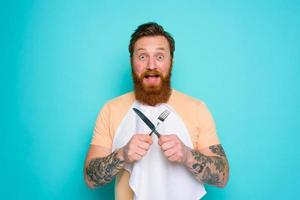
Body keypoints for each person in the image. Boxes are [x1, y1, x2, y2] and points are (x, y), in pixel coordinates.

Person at [84, 22, 229, 200]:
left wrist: (187, 155)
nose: (151, 65)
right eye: (143, 56)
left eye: (160, 57)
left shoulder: (197, 109)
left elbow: (222, 177)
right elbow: (90, 179)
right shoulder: (111, 110)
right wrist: (122, 155)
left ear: (171, 61)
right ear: (132, 61)